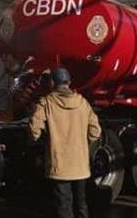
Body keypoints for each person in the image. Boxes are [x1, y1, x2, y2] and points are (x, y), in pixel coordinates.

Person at [28, 67, 102, 218]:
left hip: (59, 164)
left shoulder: (46, 103)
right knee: (81, 203)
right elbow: (95, 131)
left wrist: (41, 140)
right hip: (80, 165)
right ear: (69, 82)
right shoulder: (83, 103)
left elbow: (34, 129)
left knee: (63, 205)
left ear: (52, 83)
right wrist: (83, 144)